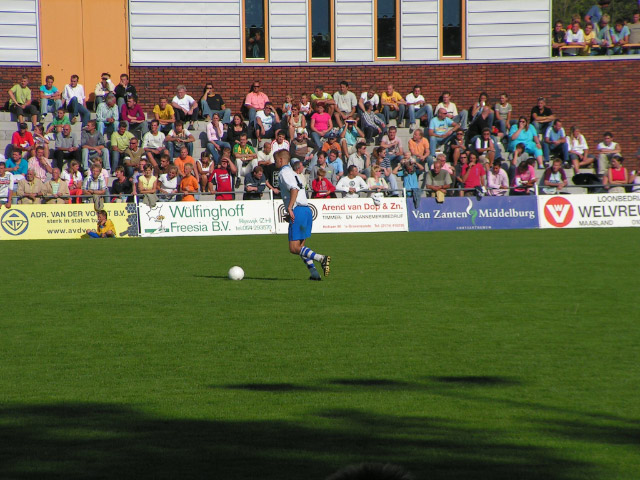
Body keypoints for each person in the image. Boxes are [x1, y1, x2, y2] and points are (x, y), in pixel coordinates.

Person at [277, 151, 330, 280]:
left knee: (294, 248)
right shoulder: (293, 173)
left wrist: (290, 208)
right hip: (305, 209)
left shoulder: (284, 173)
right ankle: (314, 274)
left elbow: (294, 189)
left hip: (298, 210)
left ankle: (321, 258)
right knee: (301, 247)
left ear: (279, 160)